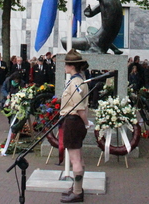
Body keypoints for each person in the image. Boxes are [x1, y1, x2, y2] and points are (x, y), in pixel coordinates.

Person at [59, 49, 90, 203]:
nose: (64, 66)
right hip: (73, 121)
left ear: (71, 66)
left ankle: (77, 192)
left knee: (75, 159)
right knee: (78, 157)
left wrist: (86, 123)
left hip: (73, 121)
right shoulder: (77, 80)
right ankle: (77, 187)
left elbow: (80, 108)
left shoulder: (76, 82)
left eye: (66, 64)